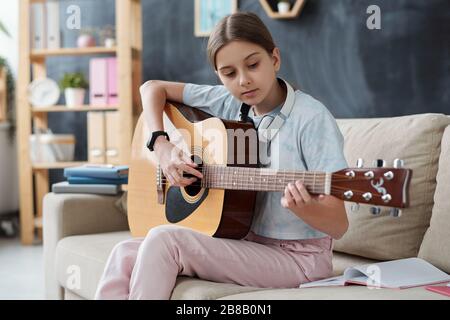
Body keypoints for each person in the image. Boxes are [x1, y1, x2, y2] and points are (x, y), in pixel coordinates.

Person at [95, 11, 349, 300]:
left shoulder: (311, 118)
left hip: (300, 258)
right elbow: (152, 88)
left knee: (164, 240)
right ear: (219, 75)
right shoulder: (229, 103)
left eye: (253, 65)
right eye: (229, 73)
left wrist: (305, 208)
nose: (243, 81)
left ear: (274, 59)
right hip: (245, 241)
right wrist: (162, 145)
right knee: (124, 252)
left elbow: (339, 225)